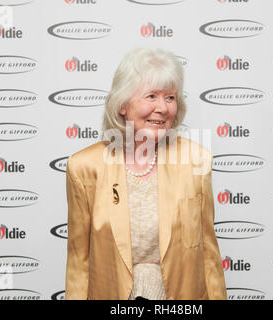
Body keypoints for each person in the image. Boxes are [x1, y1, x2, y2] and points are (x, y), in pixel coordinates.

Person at [65, 47, 227, 300]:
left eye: (170, 98)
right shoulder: (85, 166)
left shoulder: (196, 160)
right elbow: (79, 260)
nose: (162, 108)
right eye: (151, 96)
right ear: (122, 105)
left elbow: (208, 252)